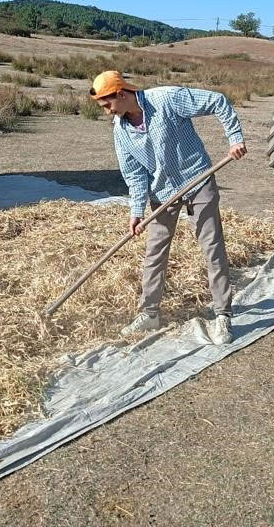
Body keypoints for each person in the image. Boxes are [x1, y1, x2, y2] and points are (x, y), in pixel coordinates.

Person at [89, 70, 247, 345]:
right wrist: (136, 212)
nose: (107, 112)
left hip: (197, 180)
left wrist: (234, 138)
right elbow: (135, 174)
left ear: (122, 94)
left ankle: (222, 315)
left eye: (108, 104)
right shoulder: (121, 130)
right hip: (163, 192)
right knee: (155, 252)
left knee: (212, 247)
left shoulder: (166, 99)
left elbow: (218, 101)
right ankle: (150, 313)